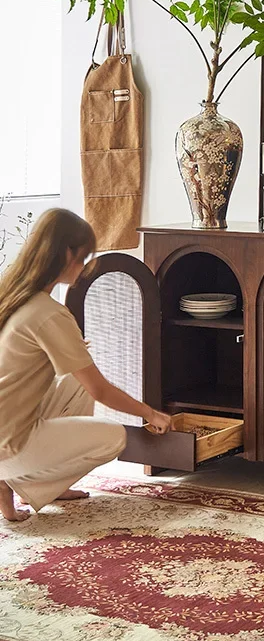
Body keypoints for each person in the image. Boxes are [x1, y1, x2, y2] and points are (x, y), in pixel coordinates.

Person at [0, 208, 172, 522]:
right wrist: (150, 413)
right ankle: (24, 482)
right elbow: (101, 391)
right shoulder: (48, 313)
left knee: (75, 380)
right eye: (84, 257)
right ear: (66, 253)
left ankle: (38, 485)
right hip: (8, 445)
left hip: (4, 428)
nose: (85, 267)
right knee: (113, 436)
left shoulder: (13, 294)